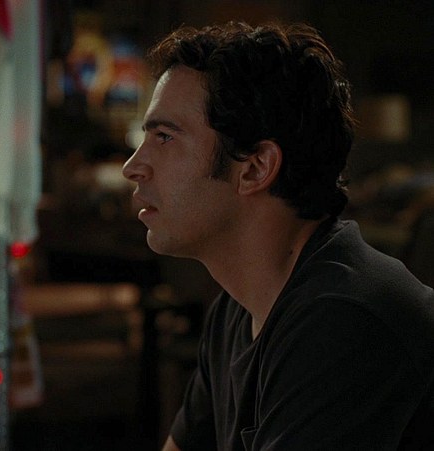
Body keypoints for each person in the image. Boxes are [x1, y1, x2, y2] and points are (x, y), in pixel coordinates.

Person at [122, 22, 434, 450]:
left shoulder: (344, 323)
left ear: (255, 168)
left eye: (164, 137)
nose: (133, 167)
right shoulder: (236, 309)